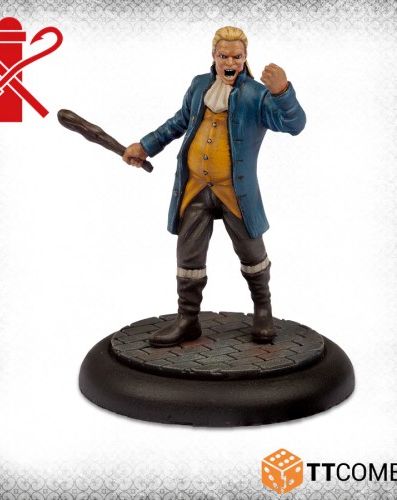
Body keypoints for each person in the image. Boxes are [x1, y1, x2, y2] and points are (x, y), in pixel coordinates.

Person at [122, 26, 306, 347]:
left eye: (237, 56)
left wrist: (282, 92)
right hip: (195, 186)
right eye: (224, 56)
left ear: (245, 57)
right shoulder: (199, 86)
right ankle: (187, 319)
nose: (230, 62)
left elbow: (294, 124)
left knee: (251, 251)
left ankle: (263, 310)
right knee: (188, 253)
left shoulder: (257, 94)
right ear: (214, 56)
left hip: (236, 191)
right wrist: (146, 146)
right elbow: (178, 122)